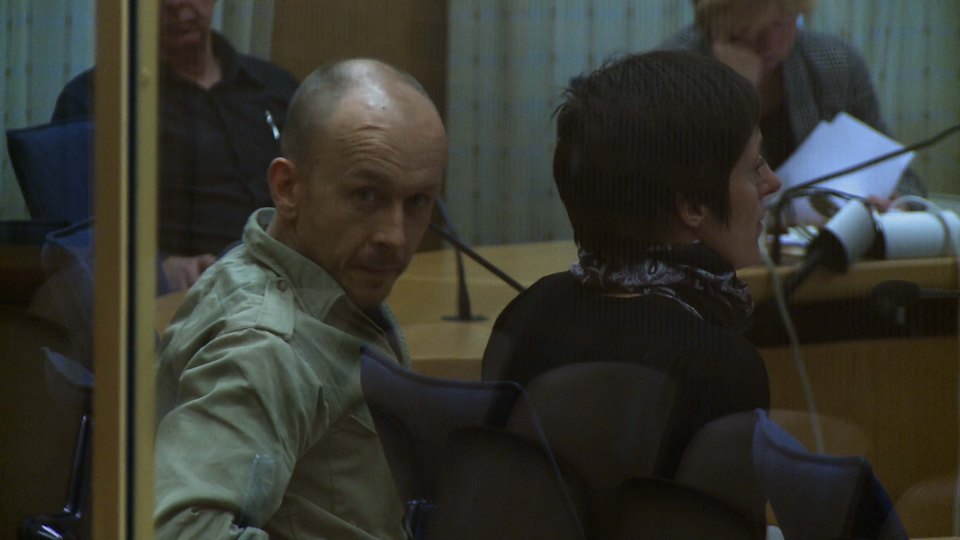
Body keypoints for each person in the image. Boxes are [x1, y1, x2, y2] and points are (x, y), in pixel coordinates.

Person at [153, 59, 447, 539]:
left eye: (417, 202)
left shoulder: (308, 279)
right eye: (367, 196)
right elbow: (177, 532)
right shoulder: (264, 346)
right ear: (288, 189)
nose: (395, 236)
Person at [482, 51, 777, 477]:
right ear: (693, 205)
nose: (773, 182)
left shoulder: (525, 312)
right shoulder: (720, 368)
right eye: (754, 169)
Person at [52, 0, 299, 290]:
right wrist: (157, 268)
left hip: (286, 281)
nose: (176, 4)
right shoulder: (98, 97)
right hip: (176, 298)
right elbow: (74, 239)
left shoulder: (276, 87)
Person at [659, 0, 925, 201]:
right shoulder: (672, 73)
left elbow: (905, 182)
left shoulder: (837, 63)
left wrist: (898, 205)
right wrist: (737, 95)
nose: (771, 42)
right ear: (717, 22)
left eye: (783, 23)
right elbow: (681, 198)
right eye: (753, 27)